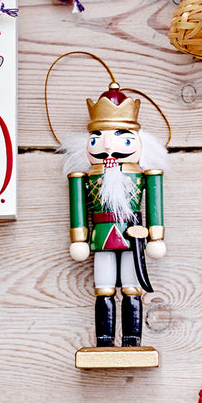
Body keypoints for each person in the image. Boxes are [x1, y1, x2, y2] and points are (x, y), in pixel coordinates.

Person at [64, 88, 167, 348]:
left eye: (122, 139)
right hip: (101, 237)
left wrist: (156, 235)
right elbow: (78, 206)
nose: (108, 146)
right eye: (97, 139)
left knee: (132, 287)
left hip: (133, 237)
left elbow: (154, 202)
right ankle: (104, 340)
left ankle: (132, 340)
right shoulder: (84, 178)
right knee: (104, 287)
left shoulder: (145, 176)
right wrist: (79, 237)